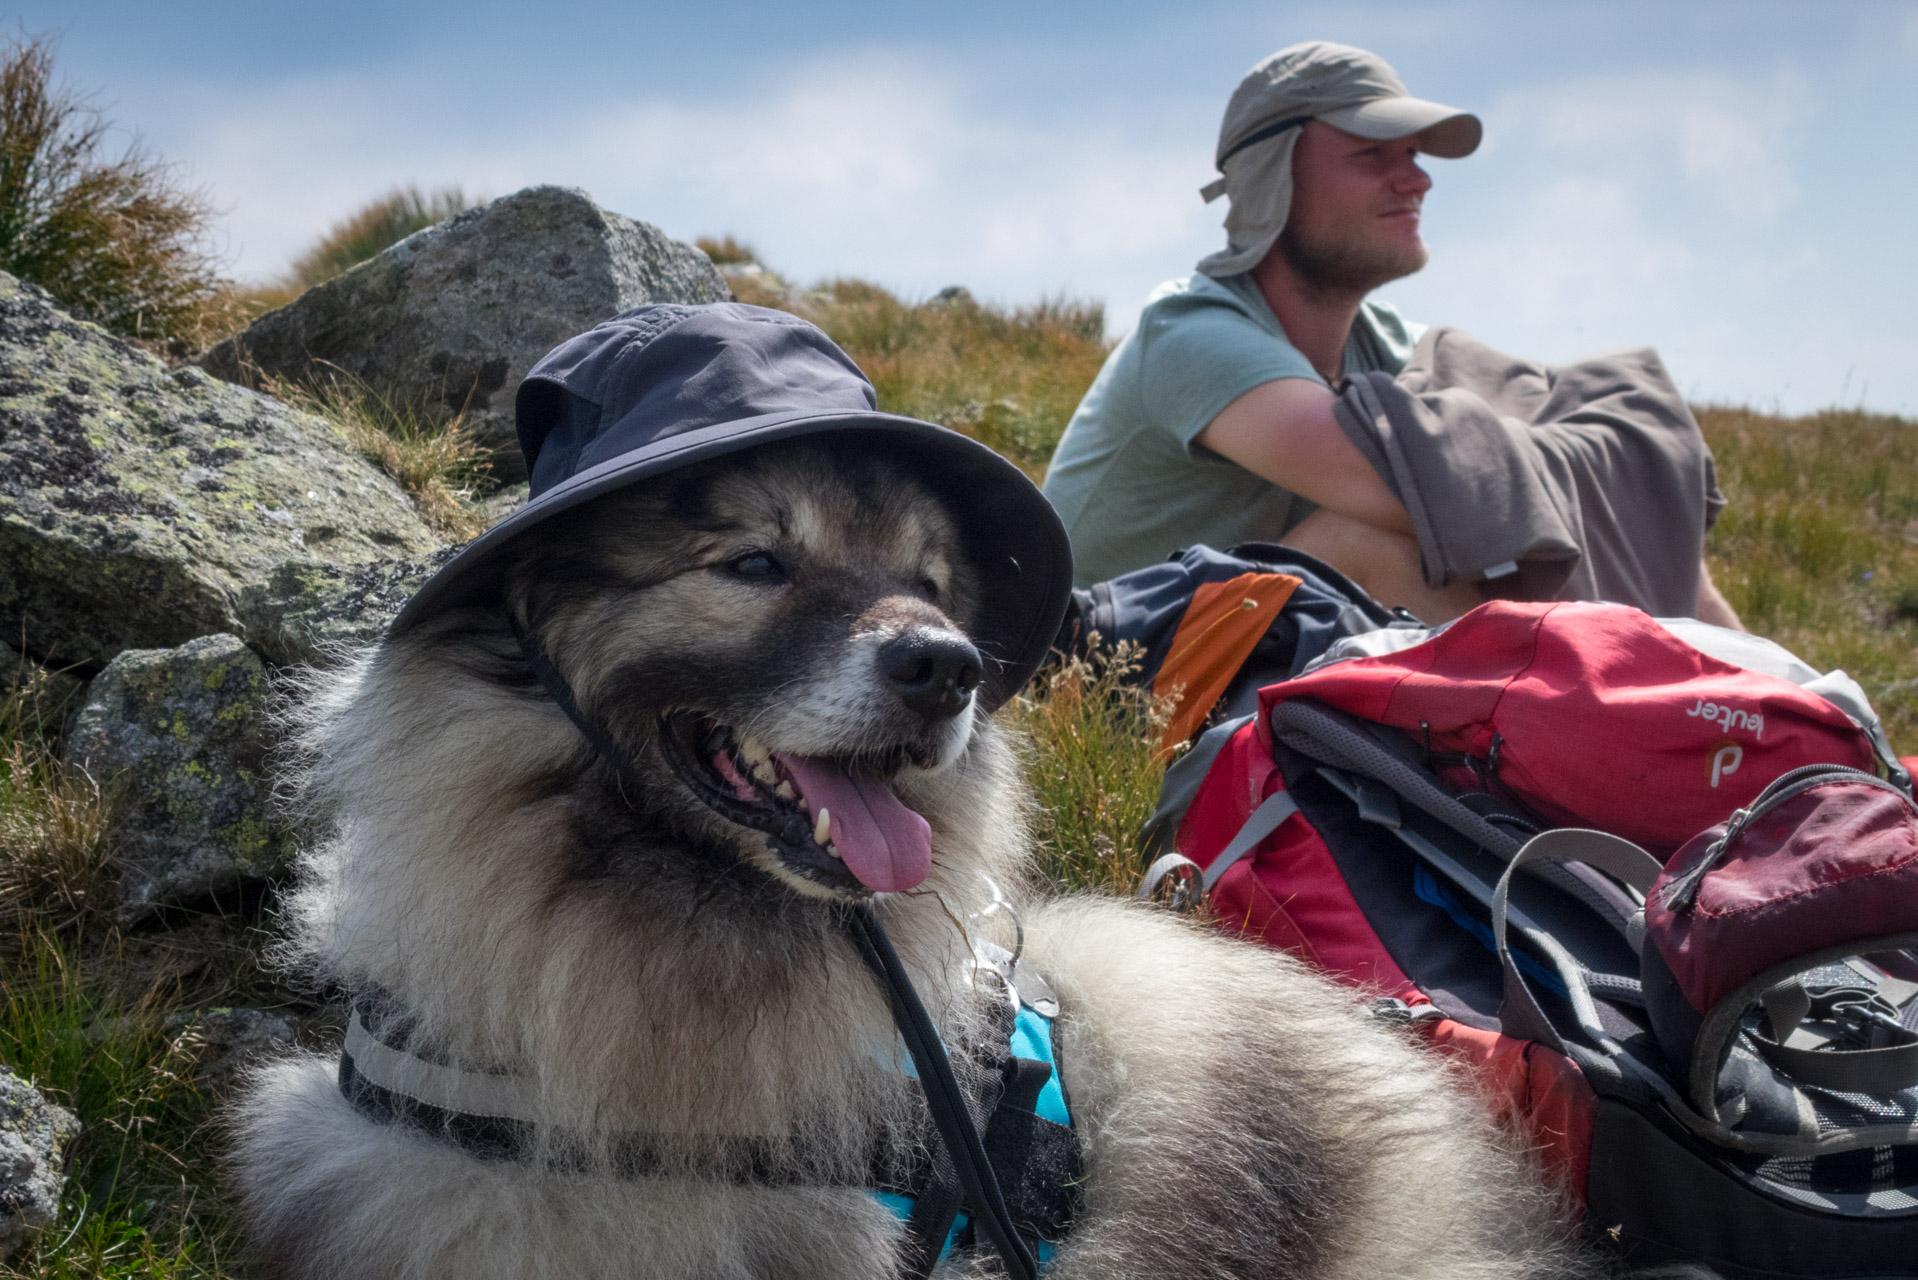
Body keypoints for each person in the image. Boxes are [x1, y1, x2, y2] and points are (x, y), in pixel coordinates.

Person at [1041, 41, 1739, 627]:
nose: (1417, 180)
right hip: (1099, 690)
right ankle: (1643, 726)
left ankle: (1790, 716)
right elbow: (1425, 497)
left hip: (1228, 666)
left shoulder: (1389, 347)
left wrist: (1639, 474)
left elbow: (1526, 443)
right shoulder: (1191, 333)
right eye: (1374, 154)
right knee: (1363, 546)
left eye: (1413, 153)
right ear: (1271, 176)